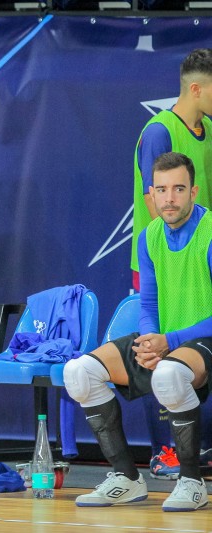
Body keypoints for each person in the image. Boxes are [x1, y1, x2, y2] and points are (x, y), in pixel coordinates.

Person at [65, 152, 210, 512]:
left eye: (178, 189)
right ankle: (126, 478)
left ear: (193, 191)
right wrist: (149, 341)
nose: (170, 198)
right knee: (79, 373)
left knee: (170, 373)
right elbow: (148, 305)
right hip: (168, 343)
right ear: (152, 194)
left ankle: (191, 482)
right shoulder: (149, 237)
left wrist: (169, 343)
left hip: (203, 340)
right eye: (161, 190)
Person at [130, 48, 212, 479]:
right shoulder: (160, 132)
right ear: (196, 88)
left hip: (204, 253)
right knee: (155, 348)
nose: (172, 195)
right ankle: (166, 451)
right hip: (160, 259)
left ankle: (198, 451)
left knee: (199, 347)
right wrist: (173, 243)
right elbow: (156, 202)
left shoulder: (210, 130)